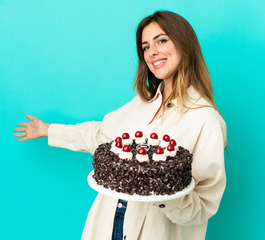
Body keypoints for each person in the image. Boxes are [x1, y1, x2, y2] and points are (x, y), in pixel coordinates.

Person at [14, 11, 228, 240]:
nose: (152, 52)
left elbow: (204, 204)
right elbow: (101, 135)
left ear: (185, 45)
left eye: (162, 40)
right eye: (145, 47)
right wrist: (48, 130)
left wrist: (163, 190)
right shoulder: (141, 104)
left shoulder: (206, 120)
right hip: (109, 222)